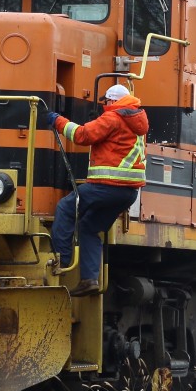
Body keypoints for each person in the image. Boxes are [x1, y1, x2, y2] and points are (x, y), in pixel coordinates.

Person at [47, 84, 148, 296]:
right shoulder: (136, 120)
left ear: (112, 101)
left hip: (106, 187)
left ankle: (61, 261)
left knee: (66, 208)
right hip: (128, 193)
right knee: (89, 227)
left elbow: (82, 136)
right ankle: (89, 279)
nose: (104, 106)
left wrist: (57, 120)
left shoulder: (113, 117)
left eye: (105, 103)